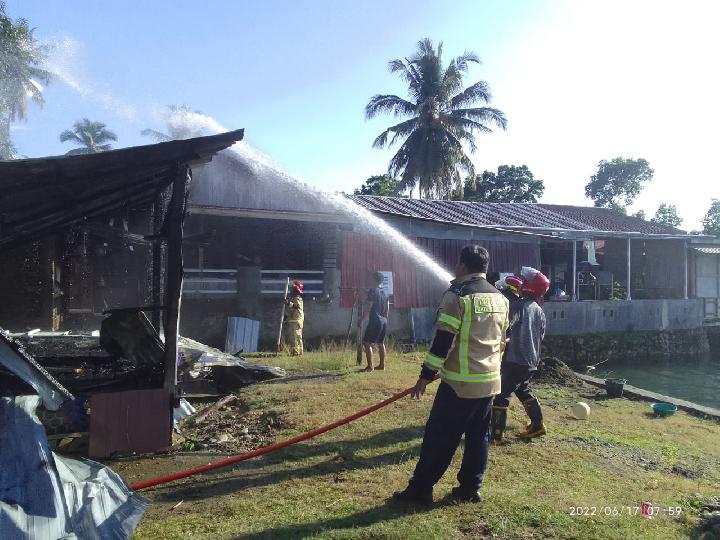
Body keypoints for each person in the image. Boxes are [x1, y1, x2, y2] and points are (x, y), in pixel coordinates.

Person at [393, 245, 509, 506]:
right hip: (489, 382)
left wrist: (425, 375)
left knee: (439, 438)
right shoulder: (501, 298)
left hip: (459, 384)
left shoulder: (457, 295)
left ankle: (420, 490)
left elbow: (444, 340)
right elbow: (503, 342)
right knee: (479, 437)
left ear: (462, 266)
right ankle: (470, 488)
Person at [491, 267, 550, 441]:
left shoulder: (518, 306)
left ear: (530, 286)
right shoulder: (538, 309)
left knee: (501, 396)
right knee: (524, 390)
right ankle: (538, 425)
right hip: (531, 361)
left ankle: (496, 434)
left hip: (515, 360)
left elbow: (505, 326)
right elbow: (541, 335)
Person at [362, 271, 389, 372]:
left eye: (370, 278)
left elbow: (369, 306)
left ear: (374, 280)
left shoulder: (372, 291)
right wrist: (384, 319)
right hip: (383, 320)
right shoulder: (385, 292)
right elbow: (387, 308)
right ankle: (382, 365)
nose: (369, 279)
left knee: (366, 343)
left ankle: (370, 366)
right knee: (380, 343)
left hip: (375, 320)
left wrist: (361, 319)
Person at [285, 280, 304, 356]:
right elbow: (292, 310)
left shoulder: (297, 298)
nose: (290, 291)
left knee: (295, 337)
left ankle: (296, 352)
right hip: (293, 321)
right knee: (294, 338)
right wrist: (286, 318)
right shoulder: (294, 299)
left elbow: (296, 307)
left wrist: (288, 303)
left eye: (292, 289)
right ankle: (296, 352)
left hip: (296, 321)